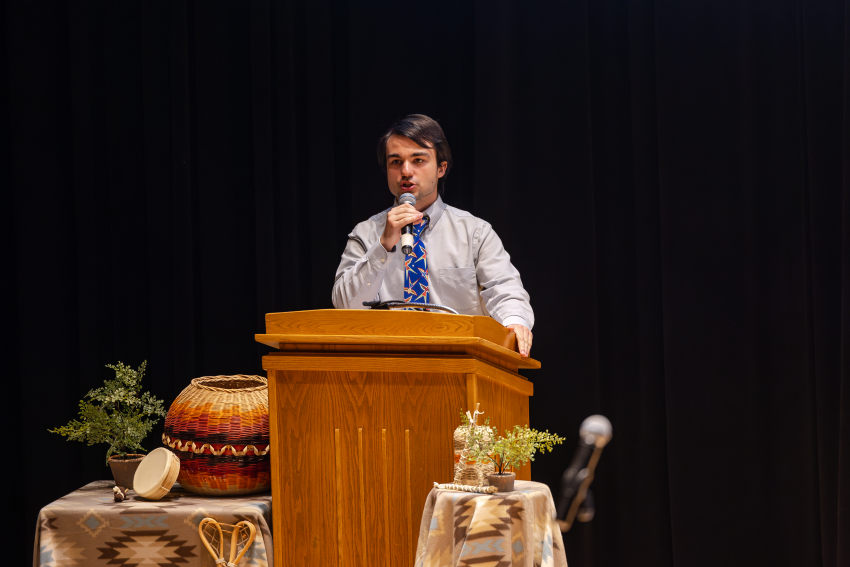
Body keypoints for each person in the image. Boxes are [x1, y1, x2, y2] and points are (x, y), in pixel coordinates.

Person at [331, 114, 535, 357]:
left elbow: (504, 288)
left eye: (418, 160)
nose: (406, 171)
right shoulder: (365, 234)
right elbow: (344, 306)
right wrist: (383, 246)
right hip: (386, 365)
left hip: (461, 364)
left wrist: (514, 322)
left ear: (441, 168)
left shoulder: (474, 232)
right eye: (395, 162)